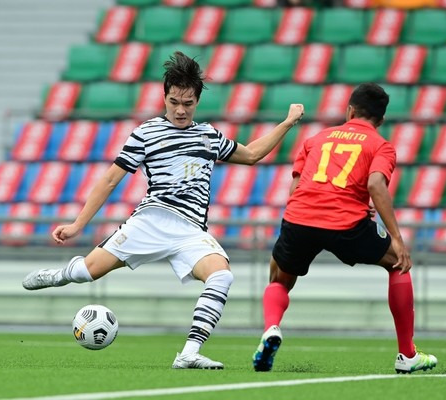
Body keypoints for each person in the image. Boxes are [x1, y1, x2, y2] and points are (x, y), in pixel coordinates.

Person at [22, 51, 304, 370]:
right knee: (89, 271)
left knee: (222, 276)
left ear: (197, 101)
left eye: (187, 103)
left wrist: (288, 122)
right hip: (152, 220)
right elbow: (111, 179)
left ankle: (188, 353)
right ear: (164, 97)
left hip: (190, 231)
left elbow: (252, 154)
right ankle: (59, 275)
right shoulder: (146, 133)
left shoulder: (208, 135)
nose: (180, 110)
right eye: (174, 102)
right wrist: (77, 224)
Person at [252, 83, 437, 374]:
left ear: (349, 110)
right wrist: (398, 239)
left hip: (300, 218)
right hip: (346, 224)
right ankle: (407, 355)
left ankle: (271, 328)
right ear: (381, 120)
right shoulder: (381, 145)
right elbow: (375, 184)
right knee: (398, 264)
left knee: (279, 276)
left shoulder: (316, 139)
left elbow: (296, 189)